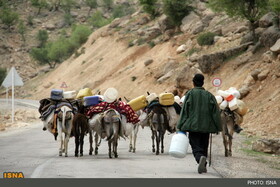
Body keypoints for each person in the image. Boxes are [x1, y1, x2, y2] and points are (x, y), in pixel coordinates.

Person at [177, 73, 222, 174]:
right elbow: (216, 112)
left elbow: (184, 111)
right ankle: (204, 164)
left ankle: (199, 158)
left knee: (195, 145)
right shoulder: (209, 95)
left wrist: (180, 125)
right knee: (204, 145)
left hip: (193, 126)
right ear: (203, 83)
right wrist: (218, 127)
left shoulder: (190, 94)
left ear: (193, 83)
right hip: (206, 126)